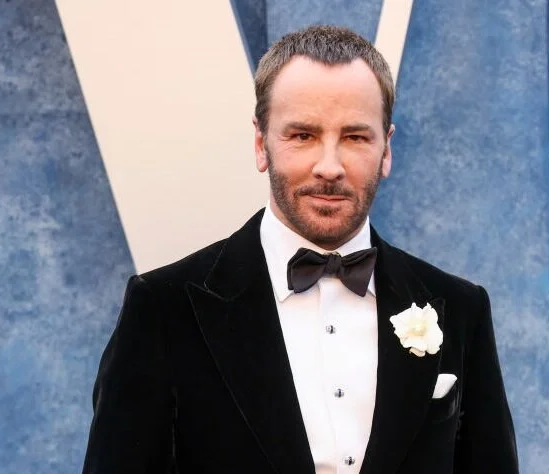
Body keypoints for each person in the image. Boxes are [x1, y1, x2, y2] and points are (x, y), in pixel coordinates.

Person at [82, 25, 518, 474]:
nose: (329, 167)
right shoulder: (162, 310)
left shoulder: (460, 309)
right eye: (303, 135)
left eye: (355, 137)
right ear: (261, 144)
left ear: (386, 149)